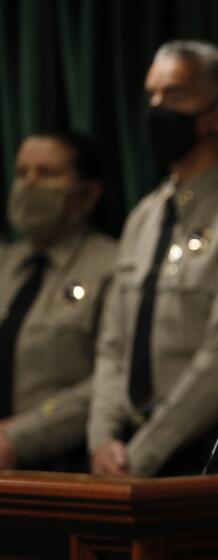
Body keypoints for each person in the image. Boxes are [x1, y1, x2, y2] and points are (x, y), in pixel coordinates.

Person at [87, 40, 218, 477]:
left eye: (175, 95)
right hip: (122, 454)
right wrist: (101, 440)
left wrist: (142, 456)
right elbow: (113, 347)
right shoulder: (145, 216)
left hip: (204, 459)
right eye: (152, 95)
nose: (156, 108)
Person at [0, 131, 116, 471]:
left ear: (88, 194)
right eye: (22, 173)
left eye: (47, 173)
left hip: (62, 467)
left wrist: (19, 436)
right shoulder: (7, 264)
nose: (29, 185)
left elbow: (114, 375)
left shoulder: (113, 267)